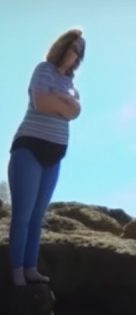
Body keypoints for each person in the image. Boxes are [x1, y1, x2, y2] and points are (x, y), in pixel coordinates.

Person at [6, 28, 85, 288]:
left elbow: (75, 112)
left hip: (55, 154)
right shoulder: (43, 70)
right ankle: (17, 272)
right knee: (23, 215)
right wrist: (63, 105)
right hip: (29, 148)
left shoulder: (72, 86)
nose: (75, 54)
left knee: (38, 217)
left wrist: (61, 101)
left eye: (80, 51)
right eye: (73, 47)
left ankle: (31, 268)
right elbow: (41, 102)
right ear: (62, 47)